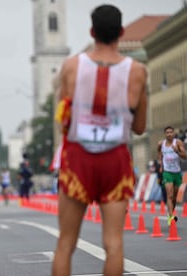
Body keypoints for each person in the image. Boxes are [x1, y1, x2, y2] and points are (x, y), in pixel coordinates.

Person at [52, 4, 147, 276]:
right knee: (114, 244)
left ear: (92, 31)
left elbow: (62, 118)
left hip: (79, 158)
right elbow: (139, 127)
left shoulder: (71, 67)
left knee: (65, 243)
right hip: (115, 159)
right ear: (121, 32)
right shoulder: (137, 71)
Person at [157, 126, 186, 226]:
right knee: (169, 195)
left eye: (171, 132)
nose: (169, 134)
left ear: (173, 133)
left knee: (174, 197)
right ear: (165, 134)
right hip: (167, 172)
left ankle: (171, 212)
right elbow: (159, 153)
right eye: (167, 132)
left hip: (177, 173)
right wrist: (161, 164)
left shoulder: (178, 143)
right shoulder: (161, 144)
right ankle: (170, 216)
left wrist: (177, 151)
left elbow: (185, 156)